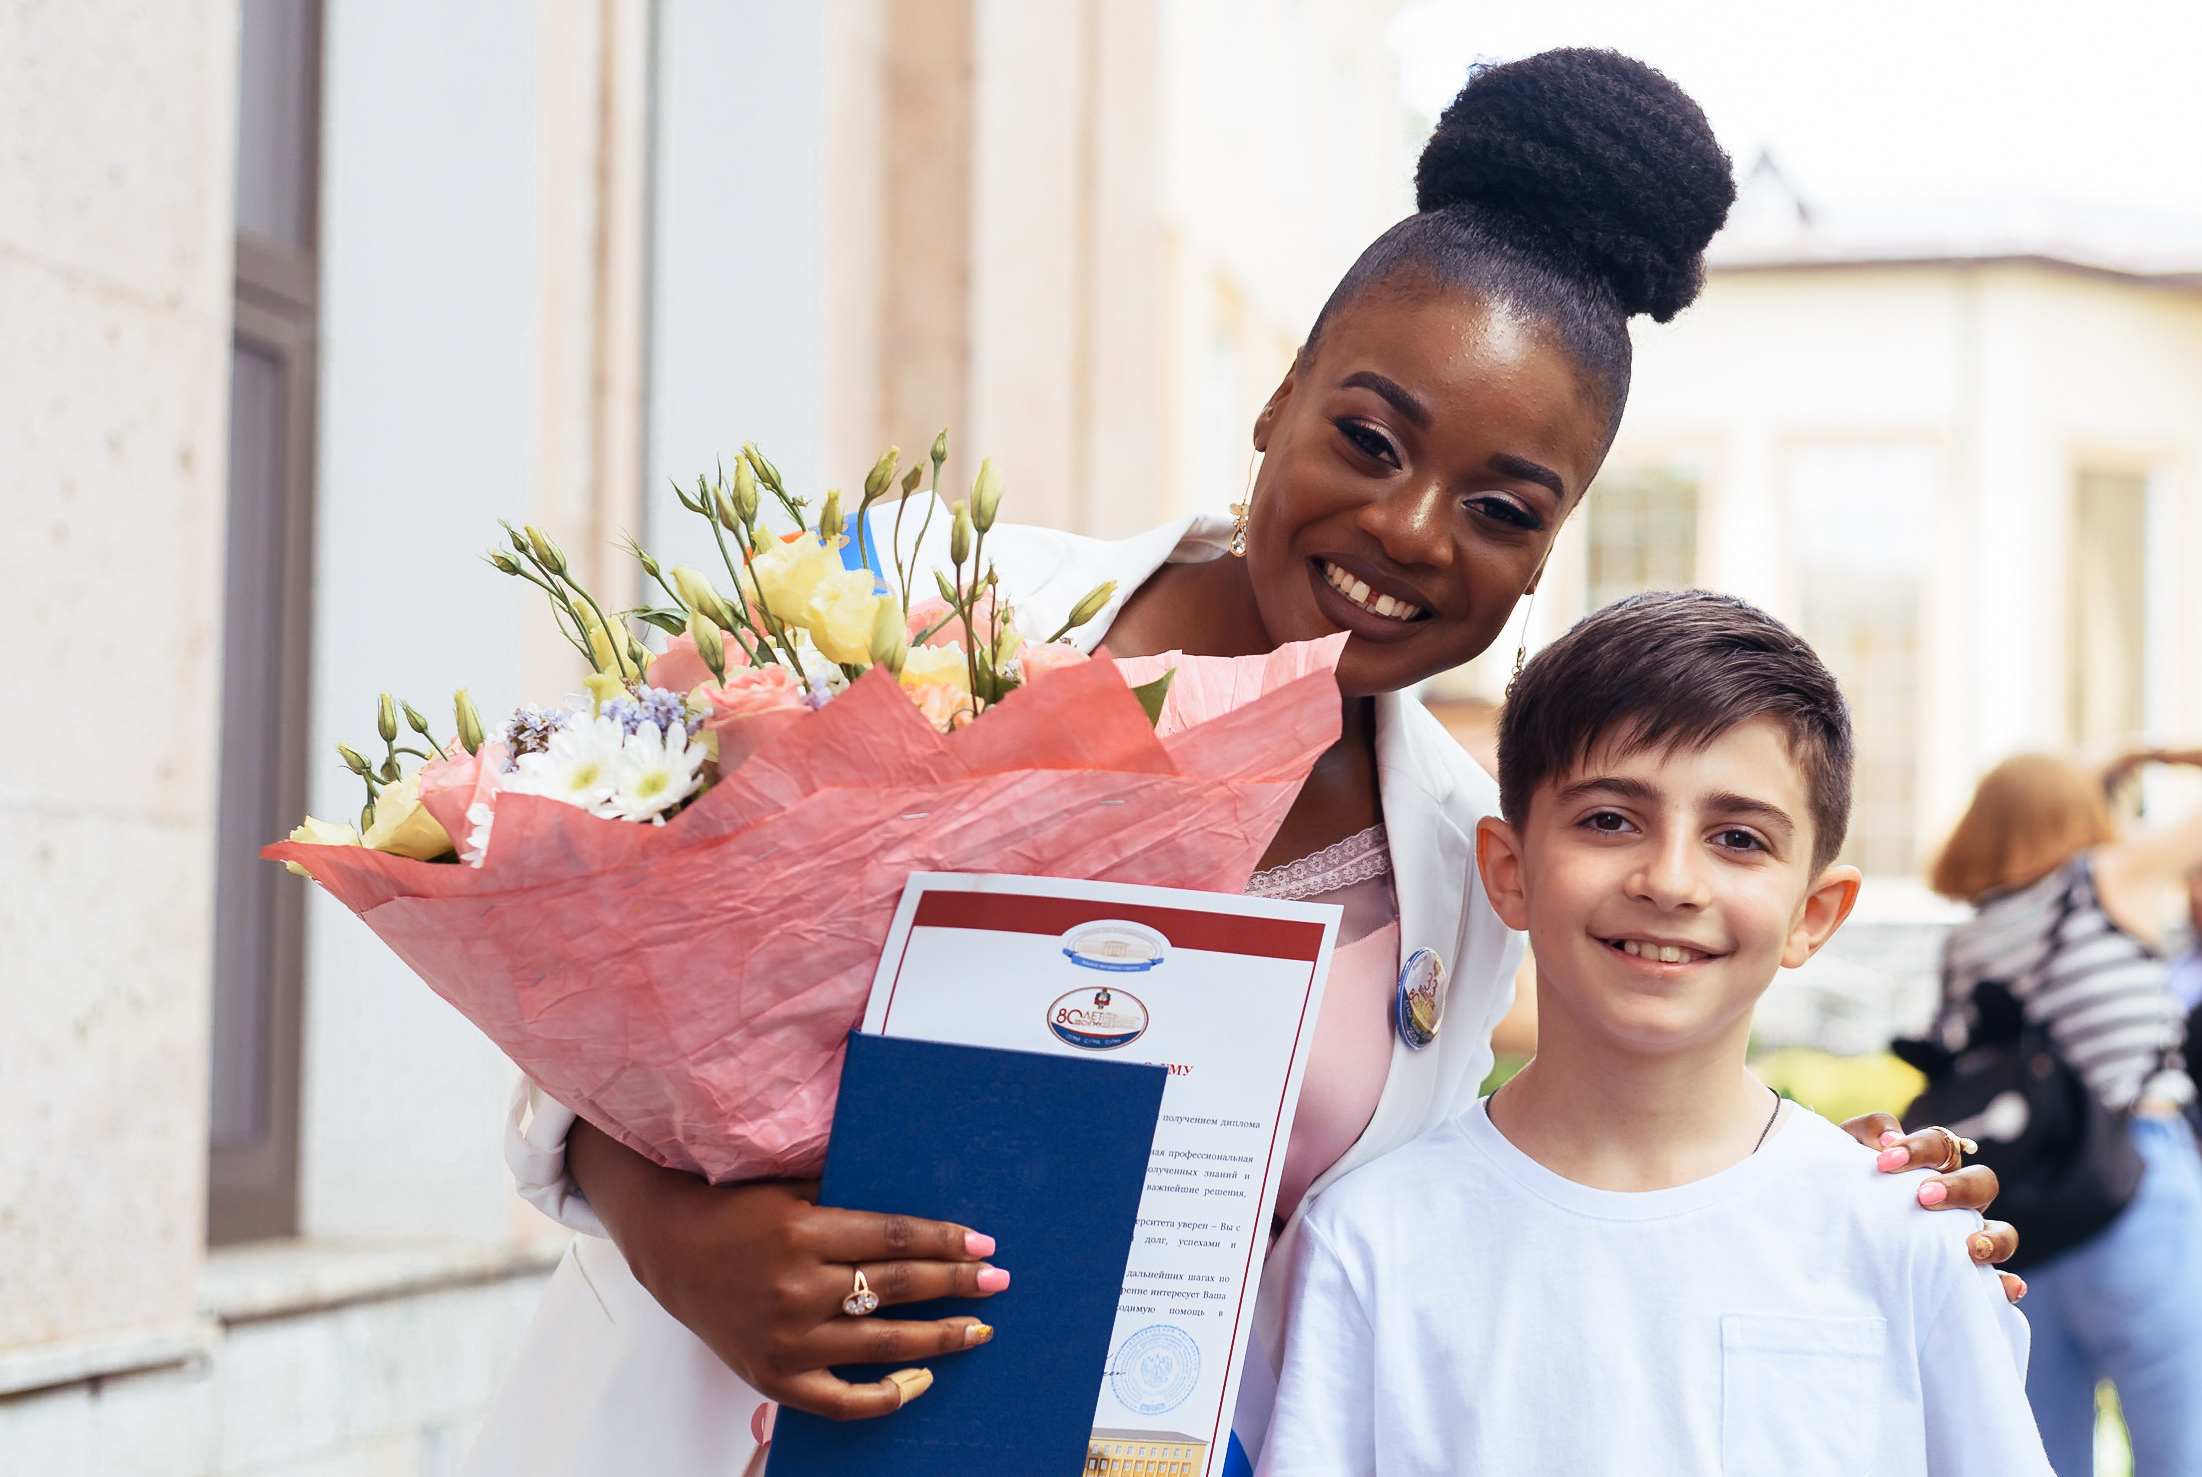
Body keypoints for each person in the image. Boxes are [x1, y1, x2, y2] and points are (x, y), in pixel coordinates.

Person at [464, 50, 2013, 1476]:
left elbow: (1481, 1196)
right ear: (1280, 400)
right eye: (1371, 437)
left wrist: (1821, 1198)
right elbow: (591, 994)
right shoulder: (922, 604)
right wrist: (679, 1236)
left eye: (1503, 507)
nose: (1410, 533)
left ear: (1550, 547)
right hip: (679, 1424)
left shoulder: (1464, 867)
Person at [1262, 591, 2051, 1477]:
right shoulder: (1369, 1238)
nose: (1671, 880)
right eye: (1609, 819)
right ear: (1508, 870)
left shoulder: (1900, 1234)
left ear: (1814, 913)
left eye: (1739, 837)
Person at [1930, 749, 2202, 1475]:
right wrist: (2144, 756)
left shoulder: (1966, 943)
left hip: (2026, 1214)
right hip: (2137, 1180)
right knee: (2182, 1442)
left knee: (2042, 1448)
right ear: (2078, 813)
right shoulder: (2106, 882)